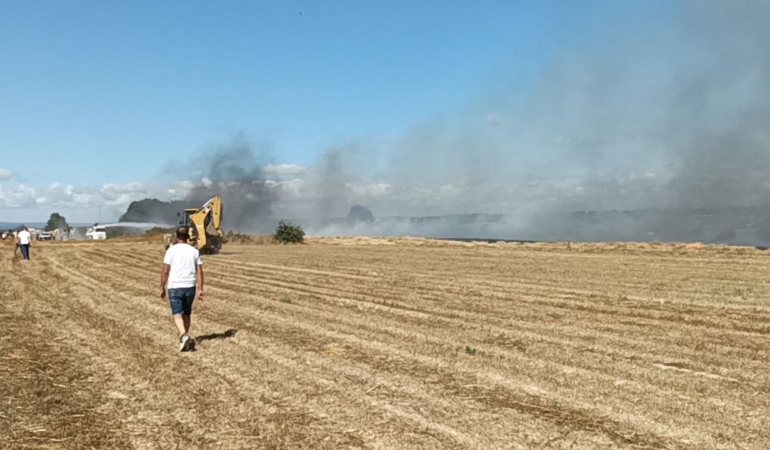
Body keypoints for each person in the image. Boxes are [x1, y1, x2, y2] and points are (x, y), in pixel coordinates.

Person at [160, 225, 204, 351]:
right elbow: (200, 271)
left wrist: (162, 287)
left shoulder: (171, 250)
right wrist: (200, 289)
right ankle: (185, 338)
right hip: (190, 286)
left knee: (177, 314)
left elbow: (165, 271)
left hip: (175, 286)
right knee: (186, 313)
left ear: (176, 235)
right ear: (188, 236)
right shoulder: (194, 251)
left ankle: (183, 335)